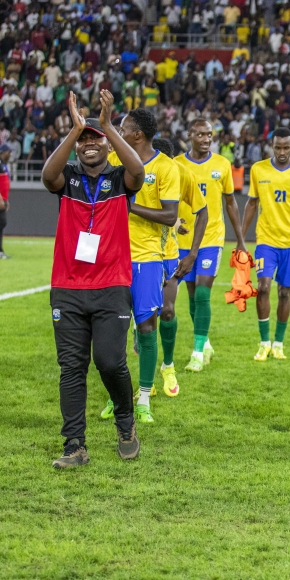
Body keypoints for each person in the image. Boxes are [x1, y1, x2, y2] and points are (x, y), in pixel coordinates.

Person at [41, 90, 144, 468]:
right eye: (84, 142)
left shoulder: (119, 179)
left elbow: (139, 172)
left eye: (94, 141)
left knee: (109, 362)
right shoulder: (67, 179)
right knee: (71, 367)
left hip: (111, 286)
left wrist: (105, 126)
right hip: (67, 287)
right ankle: (75, 446)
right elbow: (46, 175)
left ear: (106, 147)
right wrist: (76, 129)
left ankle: (125, 421)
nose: (88, 146)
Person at [100, 108, 180, 424]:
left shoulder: (166, 167)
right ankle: (115, 398)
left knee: (147, 328)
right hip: (113, 258)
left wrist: (130, 207)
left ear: (137, 134)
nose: (119, 132)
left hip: (147, 259)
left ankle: (144, 398)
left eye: (123, 127)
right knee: (112, 331)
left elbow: (170, 216)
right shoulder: (117, 162)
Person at [176, 118, 248, 371]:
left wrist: (239, 238)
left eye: (210, 134)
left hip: (211, 238)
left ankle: (196, 353)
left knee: (204, 292)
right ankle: (204, 340)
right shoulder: (177, 164)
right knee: (193, 294)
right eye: (201, 134)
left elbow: (231, 202)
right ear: (189, 135)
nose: (207, 139)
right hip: (183, 240)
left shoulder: (222, 164)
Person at [241, 127, 290, 361]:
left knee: (285, 292)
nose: (281, 151)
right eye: (278, 147)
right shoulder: (259, 169)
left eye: (286, 147)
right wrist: (240, 237)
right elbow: (250, 203)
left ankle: (278, 343)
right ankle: (263, 342)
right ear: (272, 146)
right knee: (264, 287)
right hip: (266, 240)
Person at [152, 136, 207, 397]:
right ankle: (145, 378)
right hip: (139, 254)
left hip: (169, 253)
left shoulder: (182, 174)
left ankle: (168, 365)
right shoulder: (136, 169)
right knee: (145, 316)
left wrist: (193, 252)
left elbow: (202, 210)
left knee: (168, 311)